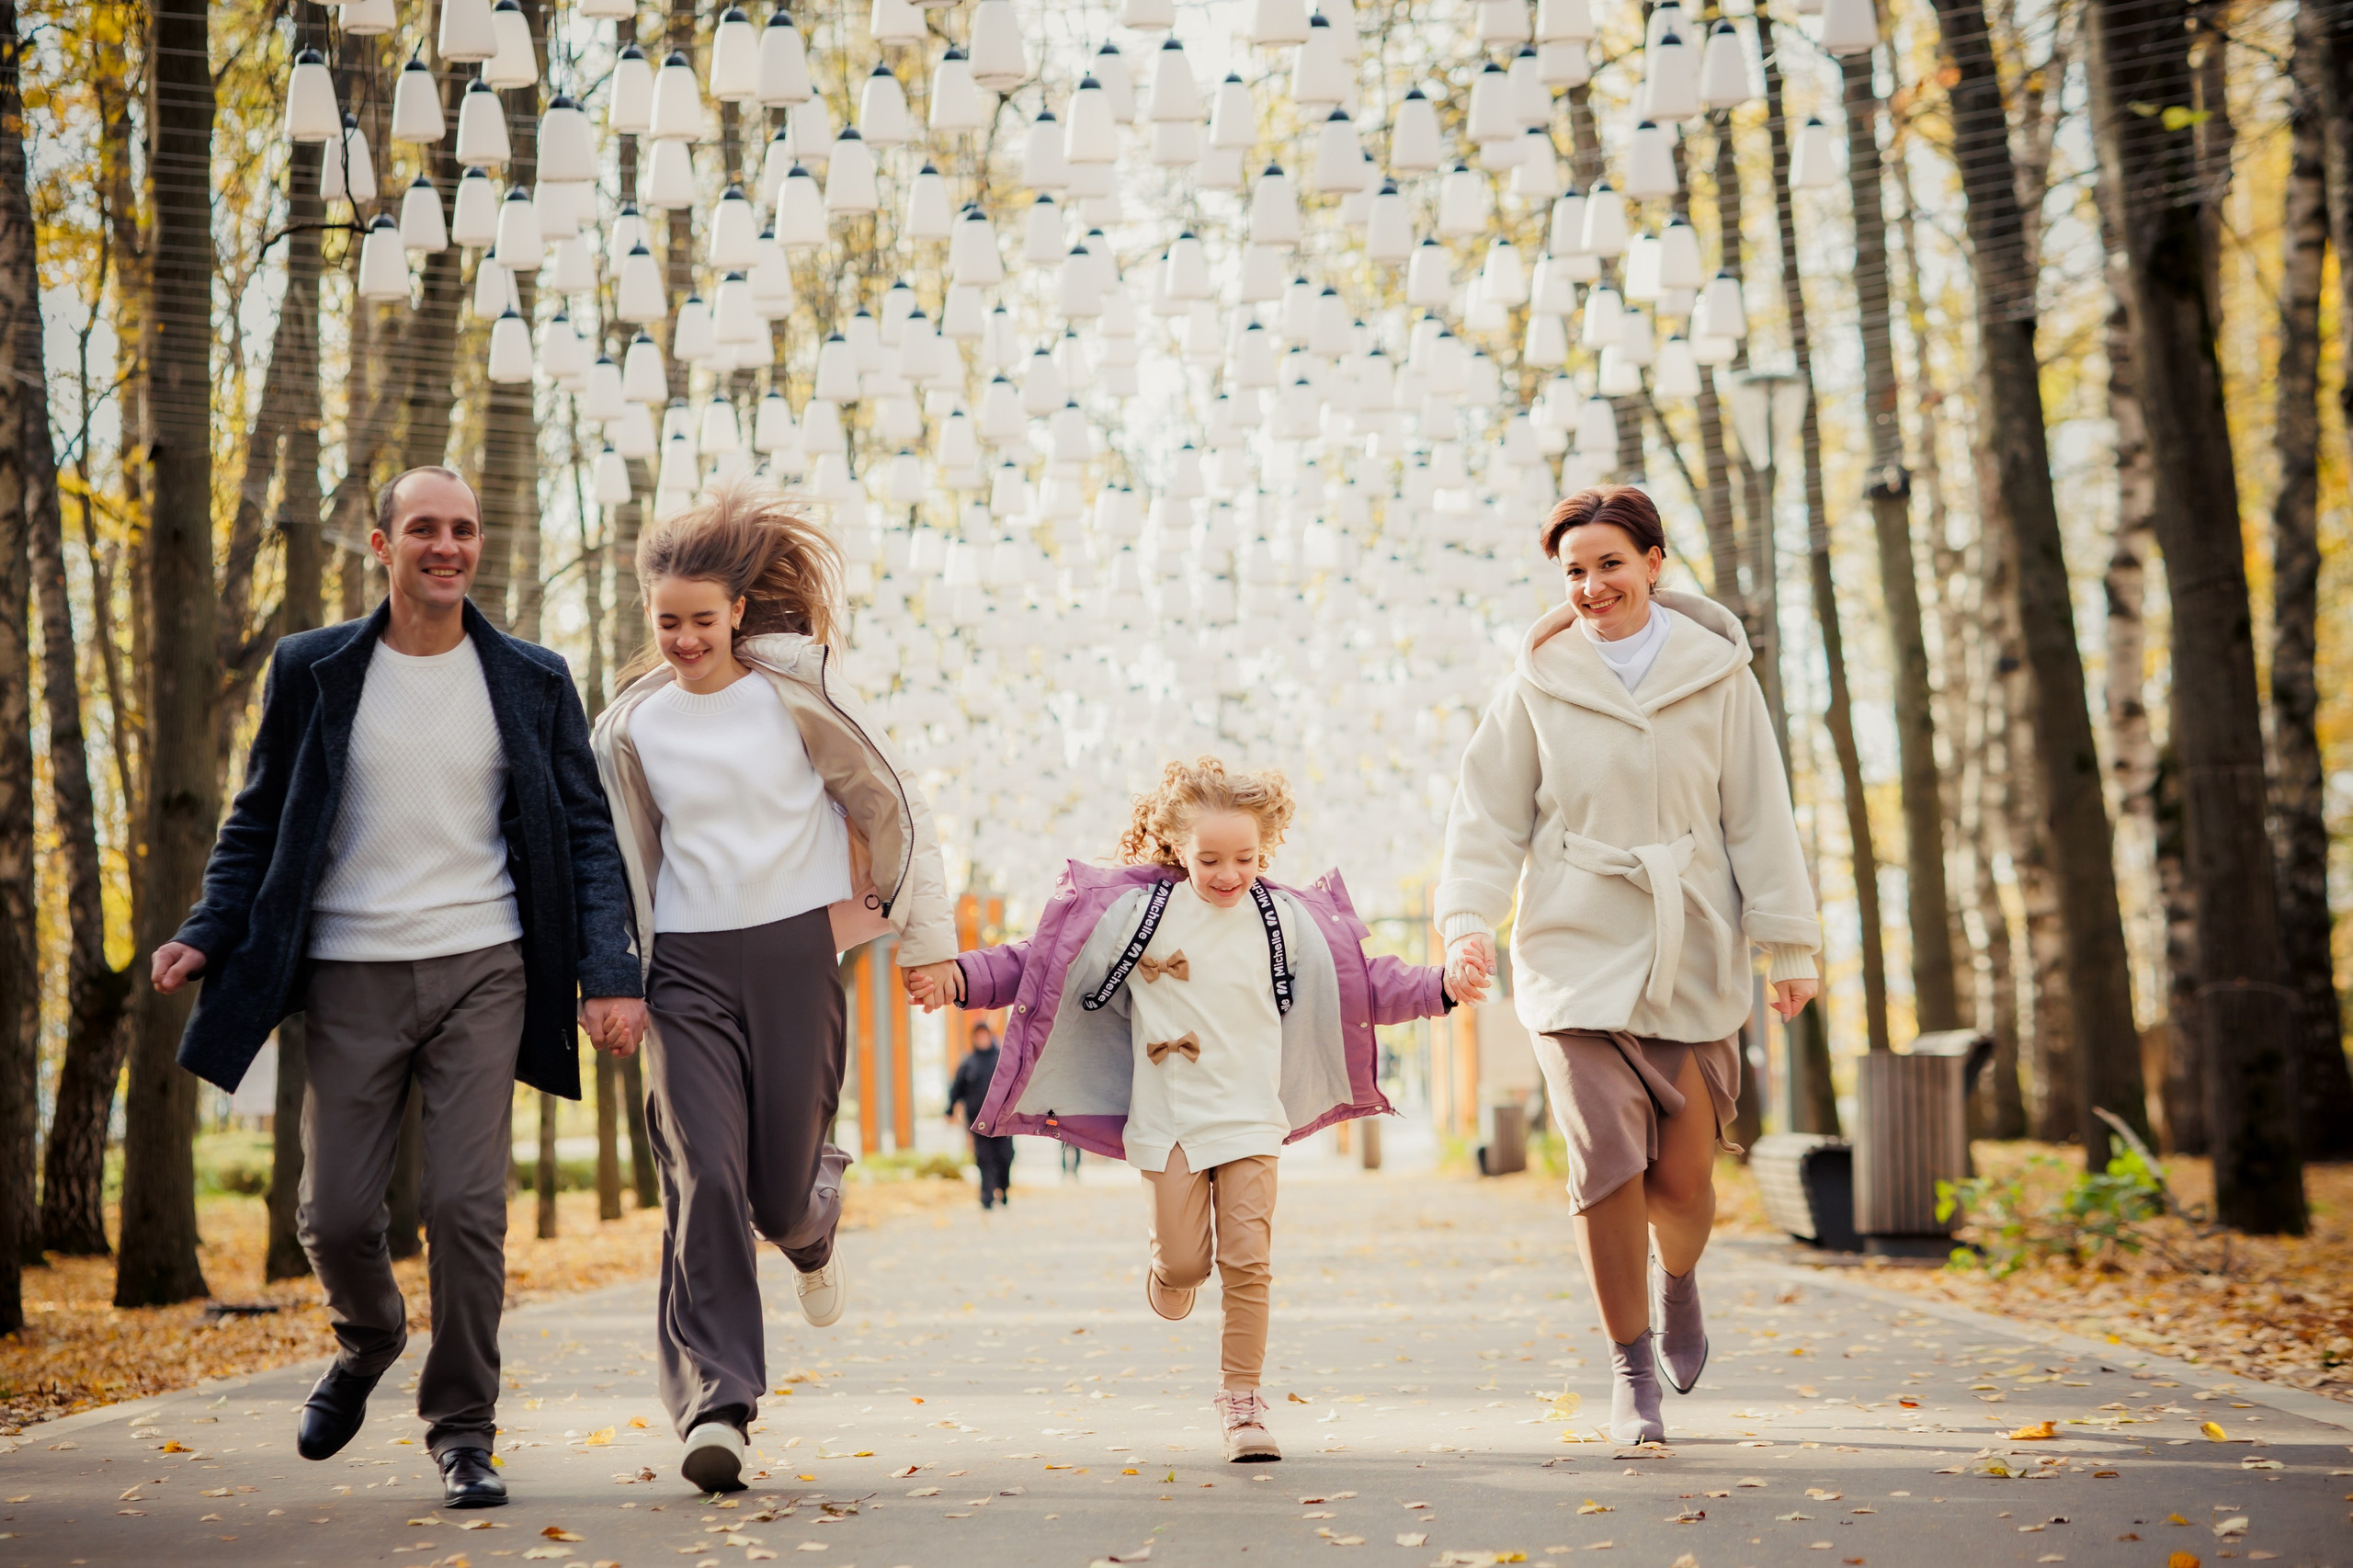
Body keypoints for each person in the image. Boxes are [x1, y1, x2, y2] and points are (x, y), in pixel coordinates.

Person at [154, 466, 646, 1509]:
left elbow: (589, 834)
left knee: (467, 1207)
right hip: (348, 971)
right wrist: (208, 929)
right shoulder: (315, 668)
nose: (447, 545)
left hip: (486, 962)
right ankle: (369, 1335)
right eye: (424, 527)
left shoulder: (530, 677)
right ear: (380, 544)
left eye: (463, 529)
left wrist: (609, 971)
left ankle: (464, 1430)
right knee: (333, 1215)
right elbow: (257, 819)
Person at [908, 757, 1462, 1463]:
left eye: (1246, 858)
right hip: (1168, 1119)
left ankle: (1243, 1400)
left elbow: (1365, 982)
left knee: (1249, 1261)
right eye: (1210, 860)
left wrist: (1441, 985)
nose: (1229, 874)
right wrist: (959, 978)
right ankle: (1169, 1272)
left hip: (1252, 1117)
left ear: (1267, 851)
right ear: (1175, 846)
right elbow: (1037, 963)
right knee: (1187, 1262)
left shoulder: (1282, 919)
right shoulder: (1138, 916)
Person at [589, 478, 959, 1494]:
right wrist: (610, 974)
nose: (684, 640)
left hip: (797, 954)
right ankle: (719, 1404)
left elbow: (891, 801)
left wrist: (921, 935)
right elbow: (616, 861)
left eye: (702, 620)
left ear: (739, 611)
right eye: (666, 622)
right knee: (703, 1173)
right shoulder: (631, 729)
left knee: (780, 1188)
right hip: (688, 970)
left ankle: (812, 1222)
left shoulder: (797, 694)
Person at [1437, 485, 1821, 1446]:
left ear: (1654, 562)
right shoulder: (1534, 679)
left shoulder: (1719, 675)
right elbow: (1486, 816)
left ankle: (1679, 1280)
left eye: (1609, 562)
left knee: (1684, 1180)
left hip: (1689, 941)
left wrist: (1788, 942)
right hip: (1571, 944)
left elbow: (1757, 814)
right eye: (1572, 570)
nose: (1591, 584)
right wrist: (1466, 923)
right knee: (1606, 1158)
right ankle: (1630, 1369)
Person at [947, 1022, 1013, 1209]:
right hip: (978, 1121)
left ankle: (1003, 1187)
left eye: (985, 1035)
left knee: (1005, 1157)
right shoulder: (968, 1063)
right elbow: (956, 1088)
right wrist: (949, 1109)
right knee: (984, 1158)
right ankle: (987, 1195)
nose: (982, 1039)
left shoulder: (1002, 1059)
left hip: (1003, 1120)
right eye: (979, 1036)